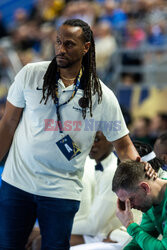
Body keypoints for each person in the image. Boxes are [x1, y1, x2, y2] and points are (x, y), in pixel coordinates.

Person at [0, 18, 153, 250]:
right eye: (58, 42)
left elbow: (123, 146)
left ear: (86, 47)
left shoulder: (101, 96)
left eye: (69, 44)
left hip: (61, 191)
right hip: (17, 183)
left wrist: (145, 173)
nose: (61, 49)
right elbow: (7, 125)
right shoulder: (30, 74)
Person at [112, 160, 167, 249]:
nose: (131, 207)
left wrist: (130, 225)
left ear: (145, 188)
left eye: (131, 200)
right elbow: (140, 241)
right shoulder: (150, 204)